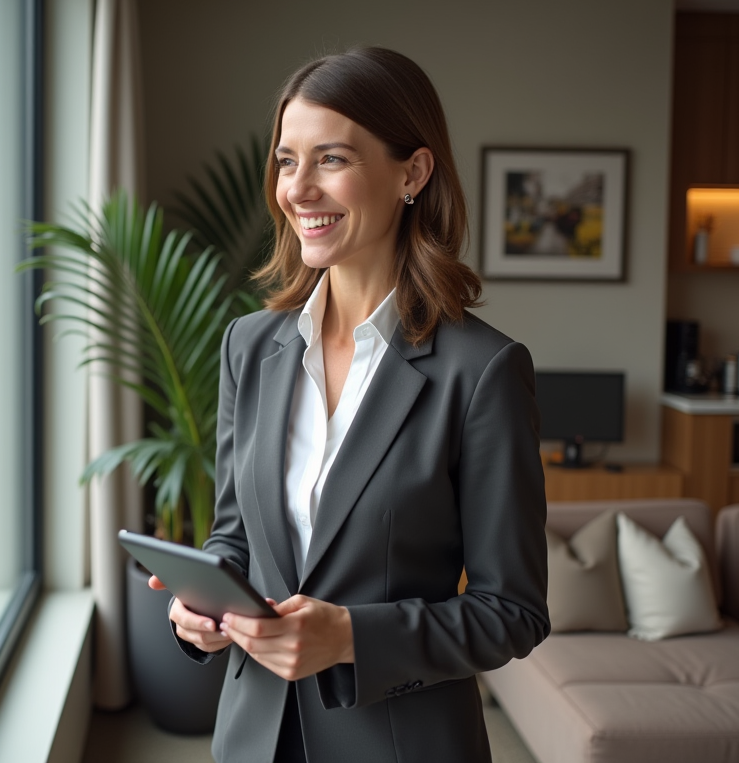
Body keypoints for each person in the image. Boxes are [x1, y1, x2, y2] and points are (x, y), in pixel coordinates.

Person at [150, 47, 549, 762]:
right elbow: (235, 539)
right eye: (285, 161)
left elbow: (512, 613)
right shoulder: (251, 346)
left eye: (330, 159)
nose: (298, 189)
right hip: (254, 738)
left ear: (412, 173)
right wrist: (202, 608)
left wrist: (352, 638)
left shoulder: (484, 371)